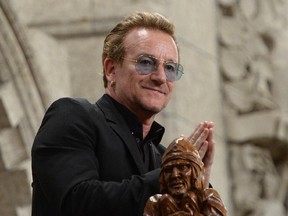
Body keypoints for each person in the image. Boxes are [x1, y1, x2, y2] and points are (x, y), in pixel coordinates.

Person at [31, 11, 216, 216]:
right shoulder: (72, 116)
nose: (161, 77)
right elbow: (78, 202)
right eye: (146, 63)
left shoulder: (164, 158)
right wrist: (172, 177)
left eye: (170, 67)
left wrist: (198, 195)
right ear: (111, 69)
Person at [143, 137, 227, 216]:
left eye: (182, 168)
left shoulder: (209, 199)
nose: (175, 175)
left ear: (195, 172)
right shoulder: (155, 204)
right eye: (168, 170)